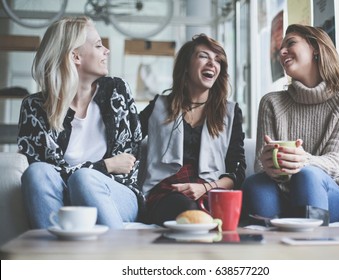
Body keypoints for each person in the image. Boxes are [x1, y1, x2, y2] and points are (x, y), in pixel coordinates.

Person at [17, 16, 144, 229]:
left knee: (84, 179)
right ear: (75, 56)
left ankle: (117, 255)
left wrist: (92, 173)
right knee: (37, 172)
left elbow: (127, 162)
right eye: (98, 45)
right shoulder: (34, 107)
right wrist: (106, 165)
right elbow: (43, 173)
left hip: (115, 194)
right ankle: (51, 257)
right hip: (61, 197)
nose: (107, 50)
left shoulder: (117, 92)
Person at [242, 24, 339, 225]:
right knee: (255, 183)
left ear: (315, 48)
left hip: (329, 193)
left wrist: (304, 160)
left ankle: (311, 251)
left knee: (307, 175)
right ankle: (266, 252)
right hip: (281, 191)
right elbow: (261, 166)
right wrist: (268, 164)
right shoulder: (271, 102)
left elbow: (338, 160)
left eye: (291, 43)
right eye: (281, 48)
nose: (282, 51)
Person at [139, 34, 246, 226]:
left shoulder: (230, 112)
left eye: (217, 60)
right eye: (204, 56)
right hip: (166, 192)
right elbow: (125, 137)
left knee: (209, 213)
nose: (212, 63)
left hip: (211, 192)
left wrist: (205, 188)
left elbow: (237, 172)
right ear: (186, 66)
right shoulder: (159, 106)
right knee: (188, 211)